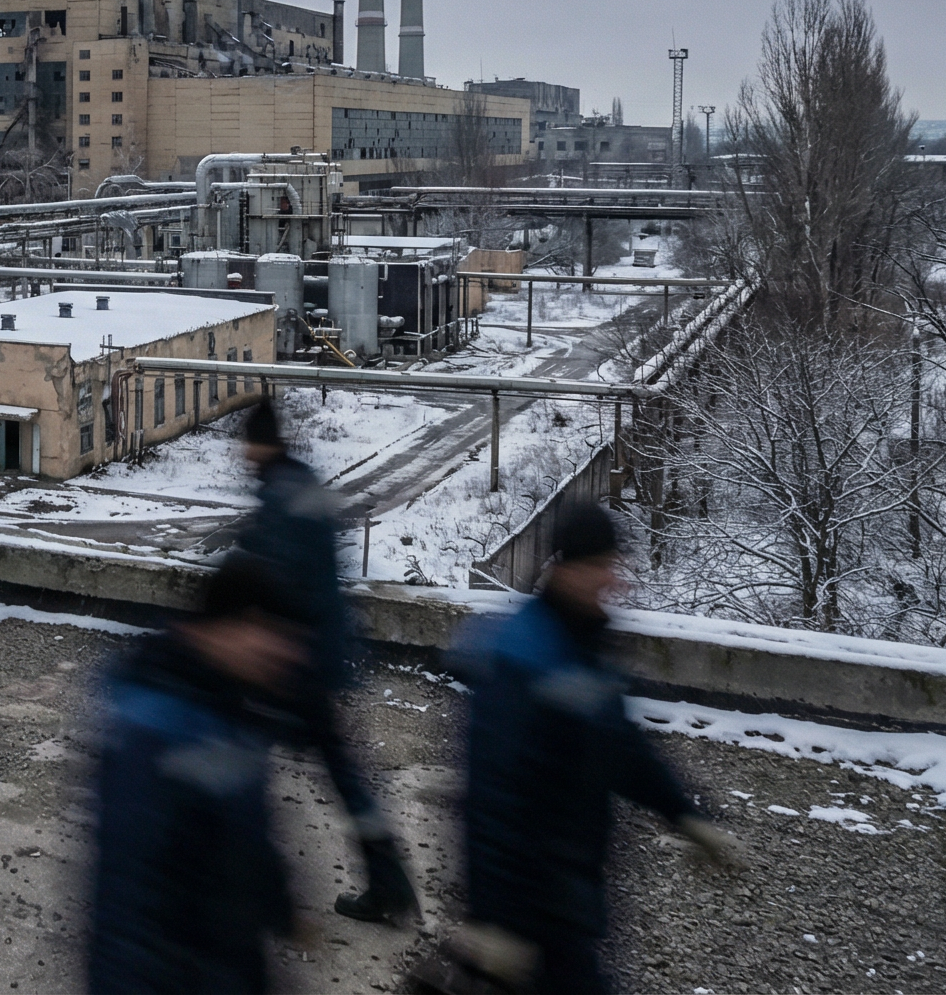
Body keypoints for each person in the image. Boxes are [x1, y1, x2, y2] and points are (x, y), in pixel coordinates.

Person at [431, 501, 740, 995]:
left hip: (574, 893)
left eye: (614, 566)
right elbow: (491, 796)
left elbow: (619, 747)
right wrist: (494, 919)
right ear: (563, 568)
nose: (612, 580)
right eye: (599, 566)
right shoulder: (522, 656)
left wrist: (685, 814)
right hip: (532, 905)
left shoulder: (585, 646)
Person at [230, 398, 417, 923]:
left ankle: (251, 885)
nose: (243, 455)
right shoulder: (302, 483)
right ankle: (389, 883)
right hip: (322, 658)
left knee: (240, 763)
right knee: (344, 778)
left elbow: (281, 581)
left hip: (291, 667)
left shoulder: (280, 497)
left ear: (258, 444)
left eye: (246, 444)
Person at [88, 551, 306, 995]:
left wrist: (276, 904)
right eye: (276, 636)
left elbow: (242, 835)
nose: (288, 655)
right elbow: (127, 900)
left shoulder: (232, 706)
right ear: (242, 623)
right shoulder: (154, 731)